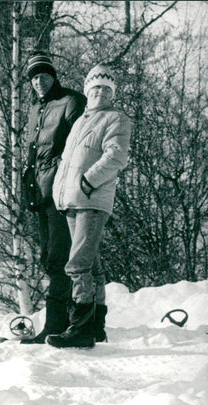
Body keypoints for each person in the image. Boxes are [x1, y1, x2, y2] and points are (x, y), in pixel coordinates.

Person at [47, 63, 131, 349]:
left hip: (91, 200)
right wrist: (59, 192)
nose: (100, 93)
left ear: (112, 93)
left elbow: (117, 157)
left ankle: (80, 327)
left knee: (78, 263)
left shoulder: (116, 118)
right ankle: (95, 326)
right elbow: (67, 161)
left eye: (106, 89)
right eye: (94, 88)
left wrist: (88, 181)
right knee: (91, 265)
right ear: (86, 91)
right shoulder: (81, 121)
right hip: (71, 200)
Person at [20, 52, 87, 344]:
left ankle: (61, 325)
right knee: (49, 258)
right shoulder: (35, 108)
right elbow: (33, 152)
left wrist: (65, 176)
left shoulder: (71, 101)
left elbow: (80, 146)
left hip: (62, 191)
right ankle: (68, 323)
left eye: (43, 75)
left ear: (54, 76)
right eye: (34, 77)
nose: (39, 82)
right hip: (40, 192)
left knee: (62, 258)